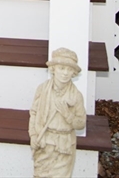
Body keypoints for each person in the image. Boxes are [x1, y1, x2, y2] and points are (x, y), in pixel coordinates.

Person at [29, 47, 87, 178]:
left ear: (73, 73)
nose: (65, 73)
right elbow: (33, 113)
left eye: (69, 69)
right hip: (44, 142)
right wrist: (33, 135)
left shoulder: (76, 96)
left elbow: (81, 124)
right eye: (61, 68)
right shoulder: (42, 89)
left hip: (63, 146)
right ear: (53, 69)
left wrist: (67, 114)